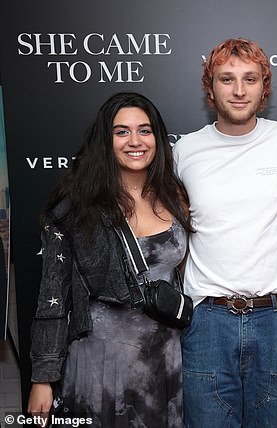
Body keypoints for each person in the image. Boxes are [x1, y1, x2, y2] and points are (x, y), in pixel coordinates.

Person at [27, 92, 192, 427]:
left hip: (165, 359)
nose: (135, 141)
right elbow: (51, 298)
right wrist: (42, 378)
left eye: (144, 131)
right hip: (98, 365)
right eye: (121, 132)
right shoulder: (75, 207)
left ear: (157, 139)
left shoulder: (175, 197)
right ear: (105, 140)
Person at [172, 38, 277, 427]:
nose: (238, 90)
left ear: (264, 87)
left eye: (250, 79)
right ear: (210, 88)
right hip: (207, 323)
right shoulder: (185, 151)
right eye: (226, 79)